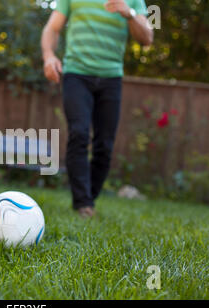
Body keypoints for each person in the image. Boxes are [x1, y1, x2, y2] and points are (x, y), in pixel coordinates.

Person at [41, 0, 153, 217]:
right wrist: (48, 56)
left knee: (104, 145)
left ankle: (88, 198)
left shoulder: (133, 1)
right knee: (79, 133)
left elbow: (147, 38)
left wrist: (128, 13)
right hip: (76, 74)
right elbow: (52, 28)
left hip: (111, 77)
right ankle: (83, 203)